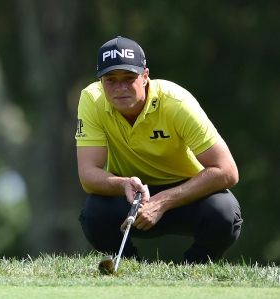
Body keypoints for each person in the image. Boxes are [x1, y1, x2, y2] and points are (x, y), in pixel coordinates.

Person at [76, 36, 243, 263]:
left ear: (145, 76)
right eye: (111, 79)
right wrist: (123, 183)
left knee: (224, 213)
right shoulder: (92, 100)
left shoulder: (177, 103)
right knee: (93, 213)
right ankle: (127, 268)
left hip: (186, 195)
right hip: (131, 197)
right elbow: (88, 175)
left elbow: (227, 170)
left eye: (129, 78)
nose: (120, 88)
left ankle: (194, 268)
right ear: (101, 81)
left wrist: (163, 201)